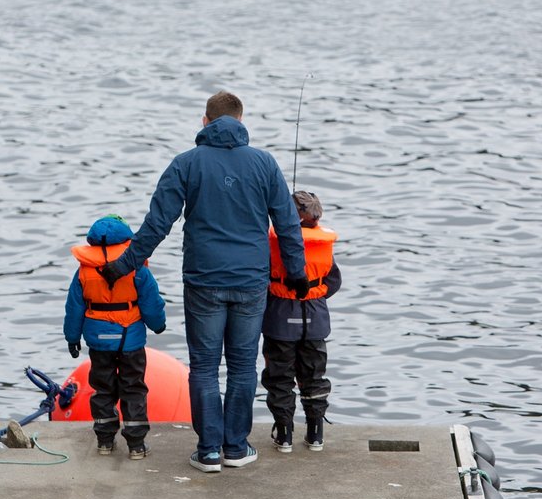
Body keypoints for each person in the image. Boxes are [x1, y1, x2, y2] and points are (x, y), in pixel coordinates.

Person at [99, 91, 309, 473]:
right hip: (250, 282)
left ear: (204, 122)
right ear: (241, 122)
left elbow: (156, 225)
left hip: (203, 281)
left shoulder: (185, 164)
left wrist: (122, 266)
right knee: (244, 366)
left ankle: (209, 450)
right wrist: (297, 276)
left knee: (204, 366)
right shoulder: (265, 163)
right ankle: (236, 446)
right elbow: (288, 225)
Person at [64, 214, 167, 460]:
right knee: (133, 388)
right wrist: (158, 325)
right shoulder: (136, 269)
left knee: (102, 389)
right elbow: (151, 303)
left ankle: (105, 441)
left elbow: (74, 308)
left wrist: (72, 337)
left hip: (99, 342)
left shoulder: (83, 272)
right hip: (130, 339)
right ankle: (136, 445)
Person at [261, 190, 341, 453]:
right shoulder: (323, 245)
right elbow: (334, 282)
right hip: (315, 318)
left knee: (279, 377)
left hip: (280, 318)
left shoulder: (274, 242)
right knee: (314, 376)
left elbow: (262, 277)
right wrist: (315, 296)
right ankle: (315, 434)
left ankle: (284, 435)